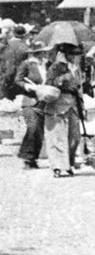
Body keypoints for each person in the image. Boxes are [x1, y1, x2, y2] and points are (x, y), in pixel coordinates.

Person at [43, 44, 83, 178]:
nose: (78, 58)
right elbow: (48, 83)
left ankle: (68, 163)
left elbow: (79, 88)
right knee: (56, 136)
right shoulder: (56, 67)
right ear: (69, 55)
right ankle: (57, 166)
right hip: (58, 103)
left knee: (74, 136)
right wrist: (62, 78)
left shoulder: (77, 68)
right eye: (76, 55)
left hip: (74, 104)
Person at [14, 39, 49, 169]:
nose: (41, 55)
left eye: (42, 52)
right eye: (39, 53)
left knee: (39, 131)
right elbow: (18, 80)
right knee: (32, 127)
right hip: (30, 101)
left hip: (43, 101)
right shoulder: (26, 65)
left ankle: (33, 158)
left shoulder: (46, 65)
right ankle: (27, 156)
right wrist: (29, 87)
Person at [2, 24, 28, 100]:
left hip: (6, 74)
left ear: (14, 33)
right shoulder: (26, 47)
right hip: (19, 75)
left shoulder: (7, 45)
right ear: (24, 35)